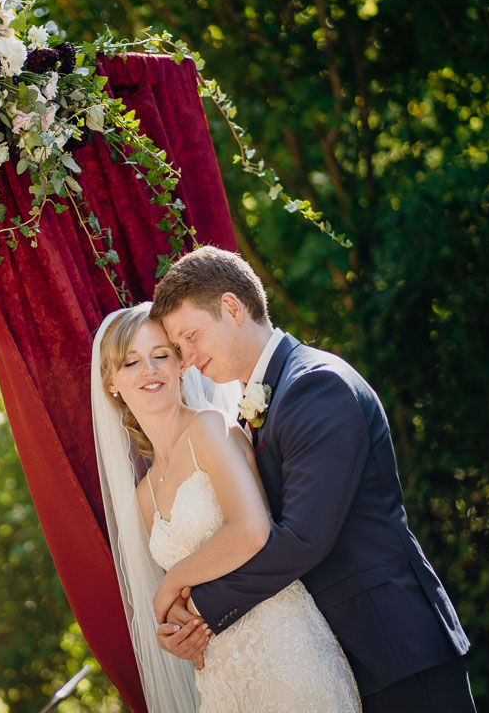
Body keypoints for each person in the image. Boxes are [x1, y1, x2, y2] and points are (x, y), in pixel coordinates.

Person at [149, 245, 473, 713]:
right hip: (343, 657)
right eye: (179, 349)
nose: (188, 360)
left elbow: (303, 537)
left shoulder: (314, 386)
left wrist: (195, 606)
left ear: (232, 308)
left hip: (396, 648)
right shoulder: (262, 400)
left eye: (191, 337)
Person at [92, 302, 361, 712]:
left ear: (181, 366)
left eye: (161, 355)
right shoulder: (144, 495)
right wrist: (174, 633)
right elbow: (188, 601)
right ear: (112, 381)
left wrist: (170, 585)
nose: (149, 369)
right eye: (131, 362)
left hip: (284, 654)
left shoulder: (209, 428)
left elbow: (252, 531)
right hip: (218, 678)